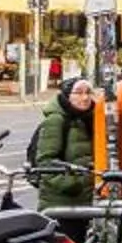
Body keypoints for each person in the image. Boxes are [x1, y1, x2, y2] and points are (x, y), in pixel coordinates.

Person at [26, 78, 101, 210]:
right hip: (61, 203)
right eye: (78, 93)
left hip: (87, 199)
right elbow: (45, 162)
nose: (85, 97)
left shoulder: (92, 119)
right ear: (67, 96)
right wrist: (74, 184)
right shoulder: (56, 120)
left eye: (88, 92)